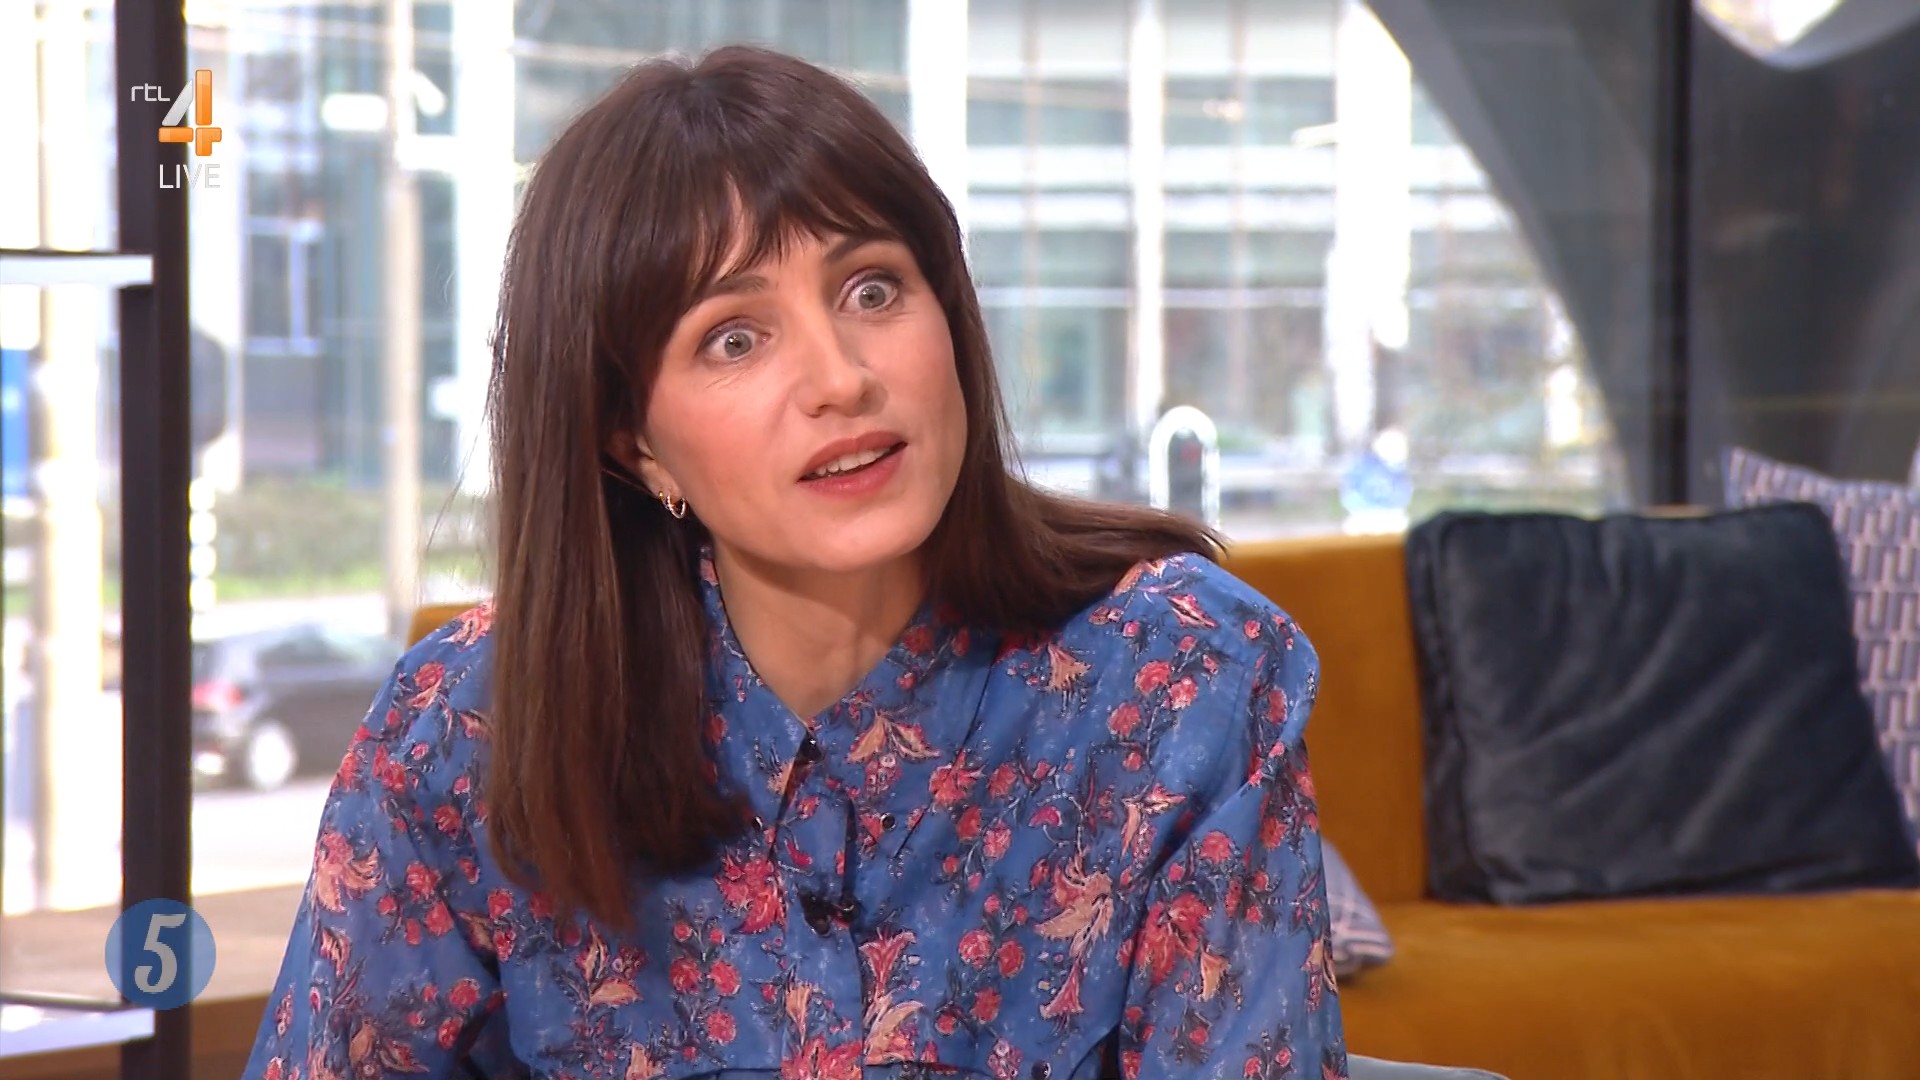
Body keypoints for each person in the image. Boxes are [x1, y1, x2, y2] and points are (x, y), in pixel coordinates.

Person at [241, 45, 1347, 1080]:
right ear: (633, 442)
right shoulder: (464, 731)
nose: (841, 378)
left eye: (873, 290)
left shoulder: (1182, 680)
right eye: (735, 338)